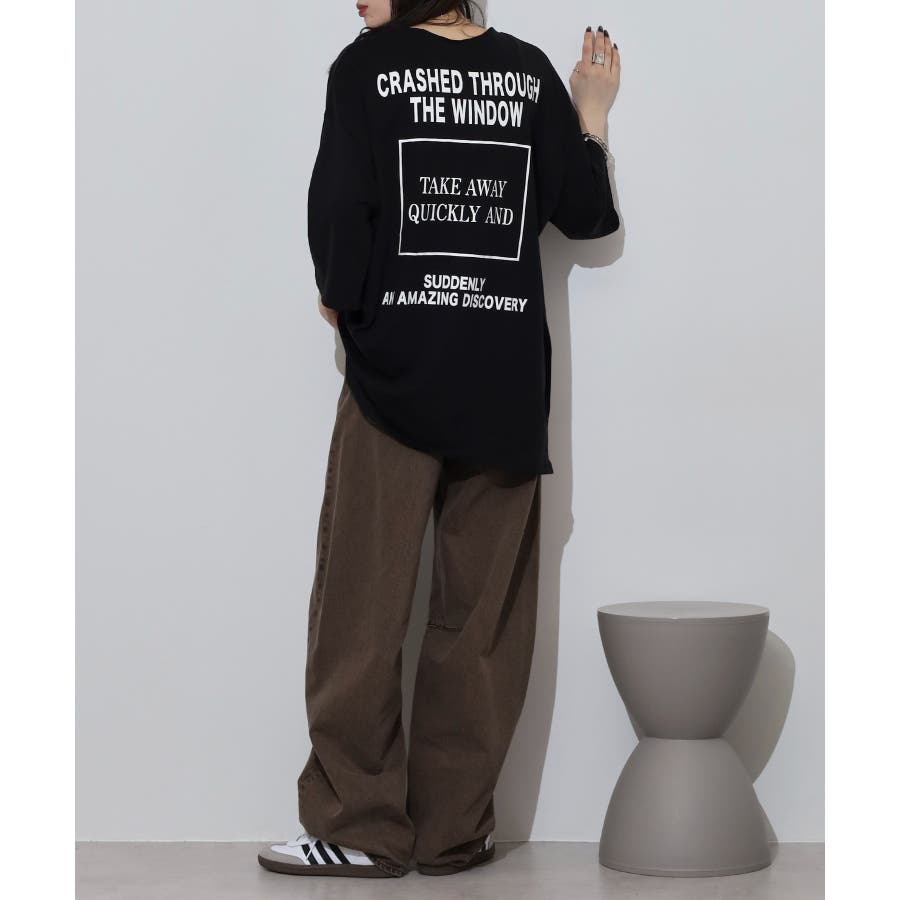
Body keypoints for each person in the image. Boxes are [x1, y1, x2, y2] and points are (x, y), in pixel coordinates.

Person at [257, 0, 621, 880]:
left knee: (359, 609)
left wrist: (341, 296)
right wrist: (591, 116)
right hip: (503, 383)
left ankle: (359, 825)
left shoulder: (366, 68)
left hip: (395, 380)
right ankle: (455, 831)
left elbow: (340, 205)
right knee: (481, 625)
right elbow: (585, 213)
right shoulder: (527, 72)